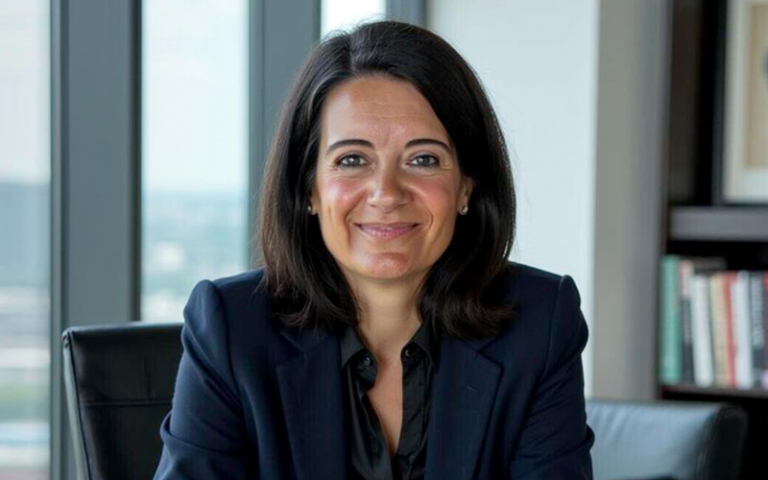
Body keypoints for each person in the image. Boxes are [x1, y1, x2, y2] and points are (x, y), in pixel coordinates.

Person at [153, 20, 594, 480]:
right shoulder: (231, 330)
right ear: (309, 188)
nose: (386, 193)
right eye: (352, 160)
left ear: (466, 186)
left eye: (423, 159)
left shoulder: (540, 325)